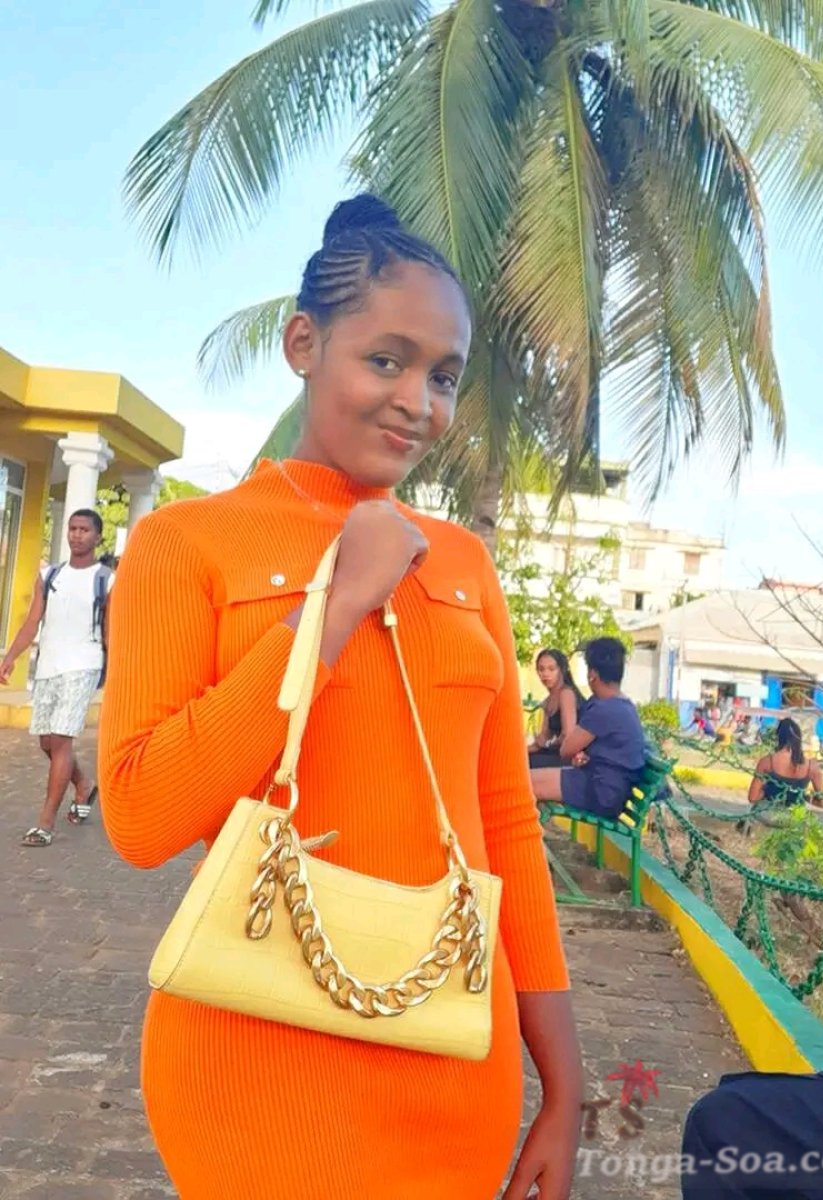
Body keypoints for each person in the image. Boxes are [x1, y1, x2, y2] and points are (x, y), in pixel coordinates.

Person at [98, 195, 582, 1200]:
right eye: (387, 360)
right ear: (304, 345)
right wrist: (336, 604)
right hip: (250, 1065)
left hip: (451, 1062)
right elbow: (141, 814)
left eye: (443, 376)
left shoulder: (462, 562)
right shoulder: (186, 543)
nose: (418, 402)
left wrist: (564, 1087)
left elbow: (505, 821)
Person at [1, 509, 111, 846]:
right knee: (47, 742)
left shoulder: (107, 579)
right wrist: (9, 657)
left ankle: (44, 824)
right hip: (48, 665)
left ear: (97, 537)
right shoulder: (49, 575)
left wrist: (121, 673)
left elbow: (111, 633)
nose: (77, 535)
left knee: (61, 739)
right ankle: (83, 784)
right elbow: (32, 621)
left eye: (84, 530)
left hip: (84, 664)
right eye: (73, 528)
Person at [531, 637, 646, 819]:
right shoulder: (622, 704)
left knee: (523, 784)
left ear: (592, 674)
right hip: (607, 788)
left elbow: (566, 749)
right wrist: (583, 755)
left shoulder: (604, 708)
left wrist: (576, 752)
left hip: (601, 792)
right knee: (525, 780)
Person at [748, 717, 823, 808]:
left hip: (767, 811)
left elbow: (753, 798)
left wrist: (767, 792)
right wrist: (804, 797)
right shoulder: (811, 766)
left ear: (779, 737)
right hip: (794, 814)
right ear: (799, 738)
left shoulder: (767, 762)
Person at [528, 647, 585, 768]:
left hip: (573, 757)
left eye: (551, 669)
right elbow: (542, 740)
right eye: (541, 669)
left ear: (561, 670)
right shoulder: (547, 701)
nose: (545, 674)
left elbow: (568, 735)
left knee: (529, 764)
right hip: (555, 753)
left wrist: (548, 744)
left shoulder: (566, 694)